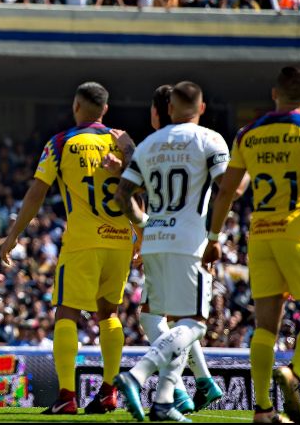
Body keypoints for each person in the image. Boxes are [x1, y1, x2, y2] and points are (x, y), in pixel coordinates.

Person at [202, 66, 300, 424]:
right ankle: (293, 371)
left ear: (274, 93)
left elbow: (227, 191)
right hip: (297, 230)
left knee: (265, 327)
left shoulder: (248, 134)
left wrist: (214, 238)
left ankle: (262, 410)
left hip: (260, 233)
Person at [0, 82, 136, 415]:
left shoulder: (60, 143)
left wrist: (14, 234)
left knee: (66, 314)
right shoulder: (121, 142)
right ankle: (108, 392)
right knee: (110, 314)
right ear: (105, 109)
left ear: (76, 106)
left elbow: (36, 193)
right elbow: (137, 190)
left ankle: (67, 396)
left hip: (82, 242)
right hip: (119, 240)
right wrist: (140, 237)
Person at [113, 81, 230, 422]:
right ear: (202, 108)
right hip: (188, 241)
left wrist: (146, 227)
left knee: (168, 320)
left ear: (167, 109)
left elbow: (123, 196)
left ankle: (166, 399)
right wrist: (215, 236)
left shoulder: (150, 144)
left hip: (154, 238)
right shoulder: (209, 140)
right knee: (193, 323)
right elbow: (229, 188)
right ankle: (137, 375)